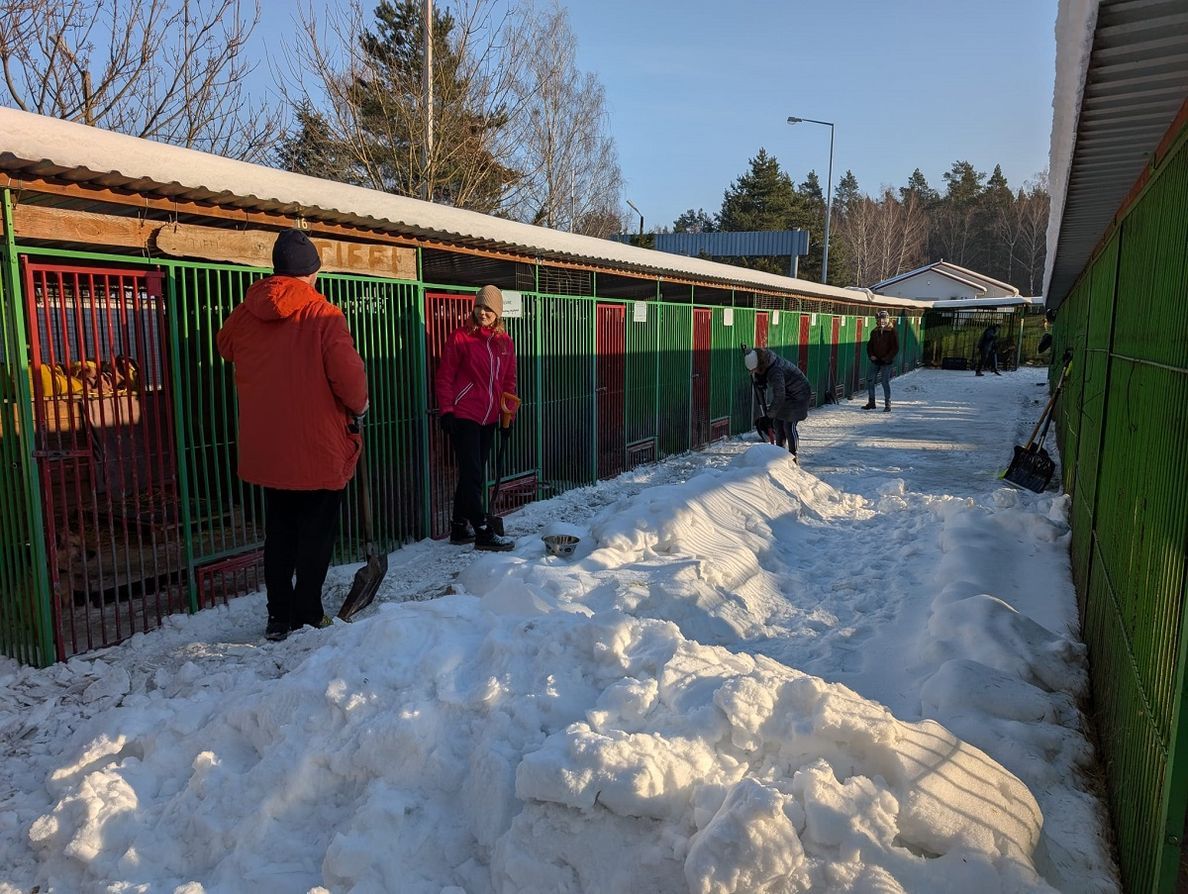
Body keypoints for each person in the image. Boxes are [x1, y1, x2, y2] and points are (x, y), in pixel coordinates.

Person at [216, 229, 368, 642]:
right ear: (311, 272)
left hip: (269, 448)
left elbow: (225, 345)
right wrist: (359, 407)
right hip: (317, 446)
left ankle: (278, 617)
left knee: (280, 533)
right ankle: (307, 614)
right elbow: (349, 378)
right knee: (315, 535)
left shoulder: (247, 313)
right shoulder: (323, 314)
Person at [437, 285, 518, 551]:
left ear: (498, 313)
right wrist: (447, 410)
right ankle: (482, 530)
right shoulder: (461, 337)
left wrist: (508, 416)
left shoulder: (504, 343)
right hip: (465, 415)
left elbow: (509, 382)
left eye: (489, 308)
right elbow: (445, 376)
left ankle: (459, 526)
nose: (483, 312)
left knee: (472, 473)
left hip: (490, 417)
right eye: (479, 307)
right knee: (473, 474)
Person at [744, 347, 812, 461]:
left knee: (788, 425)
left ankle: (793, 456)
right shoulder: (767, 362)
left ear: (760, 365)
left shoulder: (775, 371)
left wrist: (769, 415)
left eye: (756, 370)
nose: (755, 372)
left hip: (800, 395)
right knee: (777, 424)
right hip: (788, 394)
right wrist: (762, 378)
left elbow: (779, 396)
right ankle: (779, 455)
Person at [863, 310, 899, 411]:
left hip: (886, 362)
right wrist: (871, 355)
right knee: (870, 380)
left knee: (884, 382)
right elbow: (869, 346)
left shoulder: (892, 331)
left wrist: (887, 358)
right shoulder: (874, 331)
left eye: (883, 319)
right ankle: (871, 402)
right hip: (875, 360)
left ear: (887, 319)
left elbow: (895, 348)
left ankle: (888, 404)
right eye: (879, 319)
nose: (881, 321)